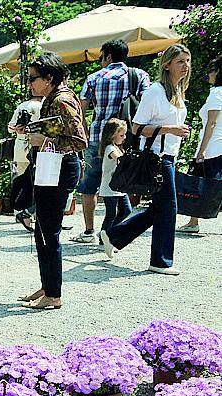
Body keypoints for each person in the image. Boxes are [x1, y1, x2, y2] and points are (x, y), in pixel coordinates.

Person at [101, 44, 193, 275]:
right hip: (156, 158)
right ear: (167, 64)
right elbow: (138, 128)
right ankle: (160, 261)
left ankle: (114, 235)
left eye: (187, 61)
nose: (186, 66)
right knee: (168, 208)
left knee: (160, 208)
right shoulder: (155, 91)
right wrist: (169, 129)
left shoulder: (177, 91)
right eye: (180, 61)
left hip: (168, 156)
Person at [16, 52, 88, 310]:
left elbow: (80, 141)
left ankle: (54, 294)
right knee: (42, 231)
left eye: (33, 78)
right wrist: (34, 131)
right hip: (51, 168)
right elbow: (57, 131)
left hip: (59, 169)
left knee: (48, 232)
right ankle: (48, 286)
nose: (30, 84)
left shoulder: (63, 100)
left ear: (49, 78)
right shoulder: (53, 98)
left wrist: (44, 140)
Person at [74, 39, 152, 243]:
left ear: (108, 56)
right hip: (124, 139)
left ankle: (90, 230)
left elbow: (80, 112)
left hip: (97, 138)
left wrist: (86, 133)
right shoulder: (139, 75)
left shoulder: (93, 78)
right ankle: (113, 230)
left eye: (101, 57)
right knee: (123, 181)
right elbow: (146, 106)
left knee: (89, 185)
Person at [178, 55, 222, 233]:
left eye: (211, 71)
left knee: (203, 184)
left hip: (213, 147)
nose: (208, 75)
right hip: (218, 145)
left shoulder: (216, 93)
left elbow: (211, 123)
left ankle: (193, 221)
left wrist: (201, 151)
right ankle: (193, 220)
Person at [9, 94, 44, 230]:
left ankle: (18, 210)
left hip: (20, 146)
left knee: (21, 180)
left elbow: (10, 127)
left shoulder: (21, 106)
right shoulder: (42, 106)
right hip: (35, 147)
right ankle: (30, 212)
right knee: (35, 181)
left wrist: (19, 130)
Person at [97, 118, 132, 233]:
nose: (124, 137)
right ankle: (106, 235)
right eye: (122, 135)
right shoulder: (110, 148)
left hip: (119, 187)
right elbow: (119, 159)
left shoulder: (117, 147)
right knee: (111, 214)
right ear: (112, 135)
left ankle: (110, 232)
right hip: (110, 187)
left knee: (126, 210)